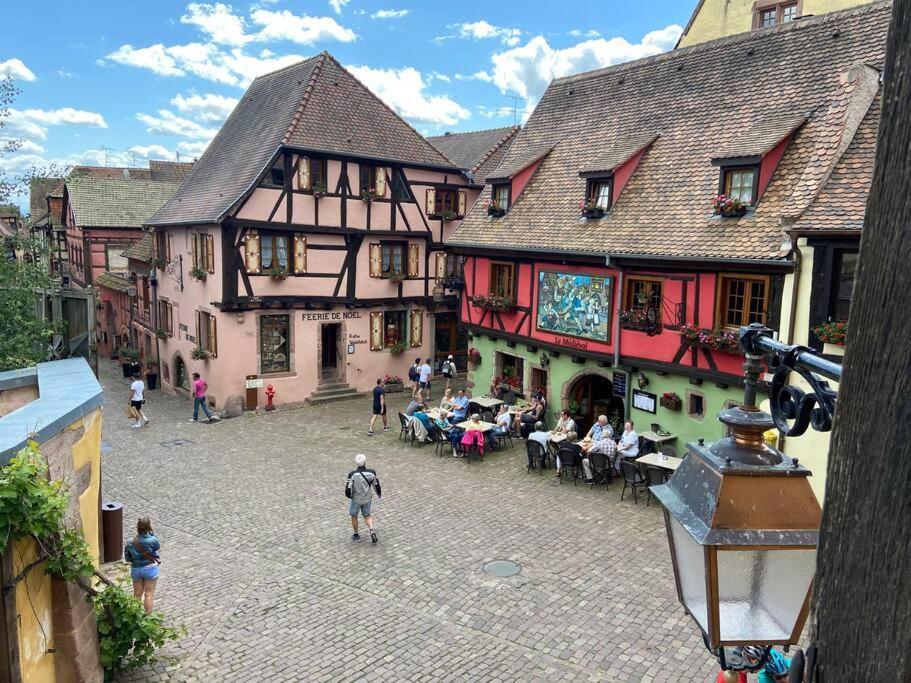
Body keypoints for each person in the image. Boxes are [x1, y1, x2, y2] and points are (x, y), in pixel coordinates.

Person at [123, 517, 160, 613]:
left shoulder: (130, 542)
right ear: (149, 527)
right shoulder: (153, 540)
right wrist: (152, 533)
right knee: (149, 594)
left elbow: (127, 558)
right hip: (150, 569)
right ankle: (148, 619)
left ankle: (135, 617)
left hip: (136, 569)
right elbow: (157, 547)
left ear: (137, 527)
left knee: (137, 594)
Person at [345, 454, 381, 543]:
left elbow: (348, 489)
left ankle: (356, 534)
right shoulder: (371, 472)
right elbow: (376, 485)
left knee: (354, 516)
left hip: (356, 499)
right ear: (364, 462)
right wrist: (379, 493)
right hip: (367, 499)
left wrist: (350, 496)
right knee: (367, 515)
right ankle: (371, 529)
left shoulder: (352, 474)